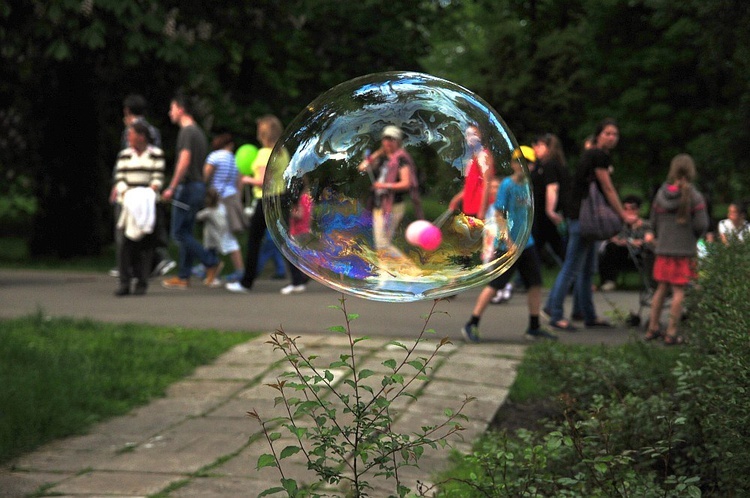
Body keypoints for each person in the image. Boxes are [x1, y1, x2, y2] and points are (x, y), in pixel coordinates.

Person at [544, 118, 638, 331]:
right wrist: (622, 215)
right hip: (584, 219)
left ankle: (587, 314)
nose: (612, 138)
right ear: (598, 135)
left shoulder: (591, 154)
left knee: (585, 270)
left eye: (615, 134)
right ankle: (555, 313)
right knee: (571, 267)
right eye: (608, 133)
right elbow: (608, 188)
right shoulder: (599, 155)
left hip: (579, 217)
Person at [461, 151, 558, 343]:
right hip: (508, 245)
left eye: (528, 162)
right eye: (520, 161)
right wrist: (509, 242)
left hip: (526, 243)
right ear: (513, 164)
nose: (524, 165)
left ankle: (534, 326)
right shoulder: (507, 185)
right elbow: (499, 214)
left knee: (535, 284)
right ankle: (471, 323)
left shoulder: (527, 186)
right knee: (496, 286)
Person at [645, 154, 709, 345]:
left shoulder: (661, 194)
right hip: (684, 251)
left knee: (661, 289)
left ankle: (652, 328)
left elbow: (653, 222)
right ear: (691, 172)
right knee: (679, 291)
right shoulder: (695, 197)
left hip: (663, 250)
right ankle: (672, 332)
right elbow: (701, 224)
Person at [110, 94, 174, 280]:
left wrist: (118, 185)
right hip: (148, 187)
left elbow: (125, 158)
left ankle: (128, 265)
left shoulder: (131, 131)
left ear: (127, 111)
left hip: (132, 187)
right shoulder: (153, 131)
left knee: (127, 225)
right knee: (145, 225)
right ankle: (150, 262)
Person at [161, 93, 222, 289]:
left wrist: (172, 186)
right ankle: (184, 276)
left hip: (187, 187)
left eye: (171, 108)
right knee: (186, 231)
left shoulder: (187, 132)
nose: (170, 113)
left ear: (180, 108)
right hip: (197, 186)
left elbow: (184, 160)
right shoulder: (199, 132)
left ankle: (210, 262)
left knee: (178, 233)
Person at [226, 115, 287, 293]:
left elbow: (261, 181)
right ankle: (298, 279)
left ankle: (246, 282)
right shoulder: (282, 153)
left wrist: (246, 179)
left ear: (263, 134)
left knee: (254, 241)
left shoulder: (263, 154)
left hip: (265, 200)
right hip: (280, 198)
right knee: (284, 240)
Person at [110, 121, 165, 296]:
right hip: (127, 202)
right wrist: (127, 194)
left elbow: (157, 179)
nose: (128, 138)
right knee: (124, 243)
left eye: (131, 134)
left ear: (141, 136)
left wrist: (145, 195)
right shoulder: (124, 155)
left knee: (145, 244)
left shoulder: (156, 154)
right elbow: (120, 178)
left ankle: (142, 282)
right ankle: (124, 282)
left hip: (147, 203)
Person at [357, 125, 422, 258]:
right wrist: (379, 152)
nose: (387, 142)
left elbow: (406, 183)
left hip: (393, 206)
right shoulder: (383, 158)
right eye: (385, 139)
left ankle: (410, 269)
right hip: (379, 204)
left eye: (391, 139)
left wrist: (383, 185)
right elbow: (362, 167)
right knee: (381, 244)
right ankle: (384, 275)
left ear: (398, 141)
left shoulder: (402, 159)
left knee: (382, 244)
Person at [203, 133, 245, 281]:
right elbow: (239, 182)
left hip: (218, 200)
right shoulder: (235, 160)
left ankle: (238, 270)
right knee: (215, 233)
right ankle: (209, 266)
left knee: (222, 235)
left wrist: (203, 188)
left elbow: (206, 175)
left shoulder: (214, 156)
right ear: (230, 145)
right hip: (232, 199)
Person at [598, 195, 655, 291]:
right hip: (622, 254)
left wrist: (634, 240)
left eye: (633, 208)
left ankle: (651, 284)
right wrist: (628, 241)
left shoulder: (645, 225)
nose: (629, 212)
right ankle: (609, 280)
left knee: (648, 250)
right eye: (626, 209)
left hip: (639, 254)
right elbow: (614, 238)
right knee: (610, 247)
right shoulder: (619, 224)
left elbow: (648, 238)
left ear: (638, 210)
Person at [530, 133, 571, 266]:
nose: (536, 148)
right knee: (540, 246)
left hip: (547, 214)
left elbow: (552, 188)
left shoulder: (549, 165)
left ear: (549, 147)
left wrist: (550, 211)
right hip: (545, 214)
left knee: (539, 246)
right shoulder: (548, 164)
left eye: (540, 145)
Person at [449, 125, 495, 219]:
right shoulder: (473, 157)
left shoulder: (483, 155)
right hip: (471, 208)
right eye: (468, 135)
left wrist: (482, 211)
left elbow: (487, 183)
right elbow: (471, 185)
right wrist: (456, 199)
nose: (471, 137)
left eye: (474, 134)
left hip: (480, 210)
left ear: (481, 135)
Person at [280, 177, 313, 295]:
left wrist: (292, 212)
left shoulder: (300, 199)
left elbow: (300, 215)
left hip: (298, 231)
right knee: (297, 256)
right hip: (304, 230)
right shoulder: (308, 197)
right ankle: (301, 279)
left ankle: (297, 282)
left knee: (290, 254)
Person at [195, 188, 227, 287]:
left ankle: (211, 277)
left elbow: (198, 216)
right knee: (211, 257)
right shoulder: (220, 211)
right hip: (218, 238)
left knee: (209, 260)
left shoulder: (208, 212)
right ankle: (212, 277)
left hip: (210, 240)